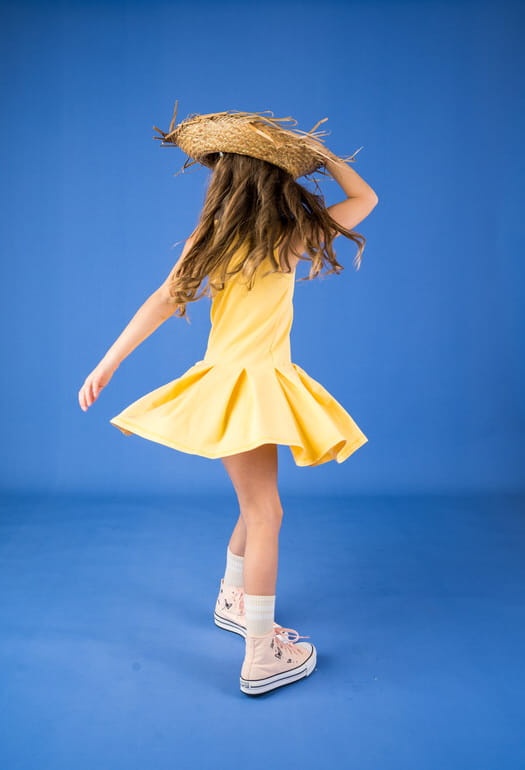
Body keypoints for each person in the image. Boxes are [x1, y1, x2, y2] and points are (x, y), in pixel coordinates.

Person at [78, 106, 378, 696]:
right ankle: (262, 654)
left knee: (255, 503)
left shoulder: (211, 241)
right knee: (266, 513)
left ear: (225, 185)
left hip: (231, 384)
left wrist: (108, 362)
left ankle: (234, 598)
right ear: (276, 181)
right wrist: (326, 158)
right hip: (255, 386)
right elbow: (365, 198)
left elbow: (162, 300)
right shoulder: (293, 236)